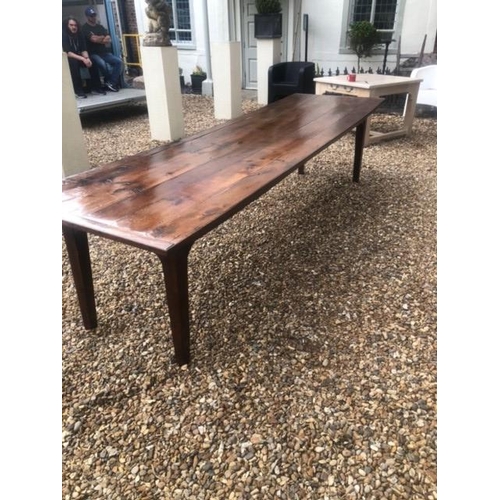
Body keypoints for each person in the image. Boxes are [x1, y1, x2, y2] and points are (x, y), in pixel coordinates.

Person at [62, 16, 106, 98]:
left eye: (75, 25)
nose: (74, 27)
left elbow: (83, 49)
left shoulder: (80, 34)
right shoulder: (63, 34)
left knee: (93, 61)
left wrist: (87, 58)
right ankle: (78, 91)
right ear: (67, 25)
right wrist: (83, 58)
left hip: (79, 56)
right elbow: (68, 53)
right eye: (71, 25)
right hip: (68, 58)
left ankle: (96, 88)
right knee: (73, 63)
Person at [81, 7, 123, 92]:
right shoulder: (84, 28)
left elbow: (109, 39)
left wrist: (99, 38)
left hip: (104, 53)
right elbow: (93, 39)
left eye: (94, 15)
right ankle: (107, 81)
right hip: (93, 53)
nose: (93, 17)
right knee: (103, 64)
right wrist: (103, 38)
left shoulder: (100, 27)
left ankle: (111, 82)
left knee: (118, 61)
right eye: (91, 16)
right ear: (87, 17)